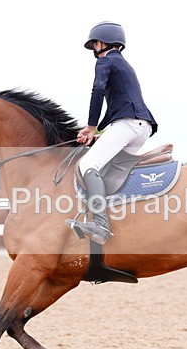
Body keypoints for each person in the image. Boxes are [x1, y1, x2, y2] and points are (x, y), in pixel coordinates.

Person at [65, 21, 158, 244]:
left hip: (127, 125)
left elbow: (97, 91)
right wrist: (98, 134)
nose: (94, 50)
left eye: (94, 44)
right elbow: (117, 106)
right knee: (108, 169)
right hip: (141, 127)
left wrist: (89, 126)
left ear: (100, 42)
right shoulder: (124, 65)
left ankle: (100, 224)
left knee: (87, 166)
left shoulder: (105, 61)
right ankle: (118, 220)